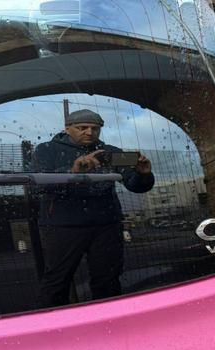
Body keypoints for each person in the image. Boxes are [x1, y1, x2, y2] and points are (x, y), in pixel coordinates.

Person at [32, 109, 155, 307]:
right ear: (67, 128)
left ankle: (108, 318)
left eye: (95, 128)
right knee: (57, 280)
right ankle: (50, 321)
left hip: (106, 224)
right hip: (63, 226)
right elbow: (39, 185)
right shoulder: (46, 149)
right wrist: (73, 172)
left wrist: (144, 174)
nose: (89, 132)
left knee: (108, 279)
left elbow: (135, 186)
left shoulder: (111, 152)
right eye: (82, 127)